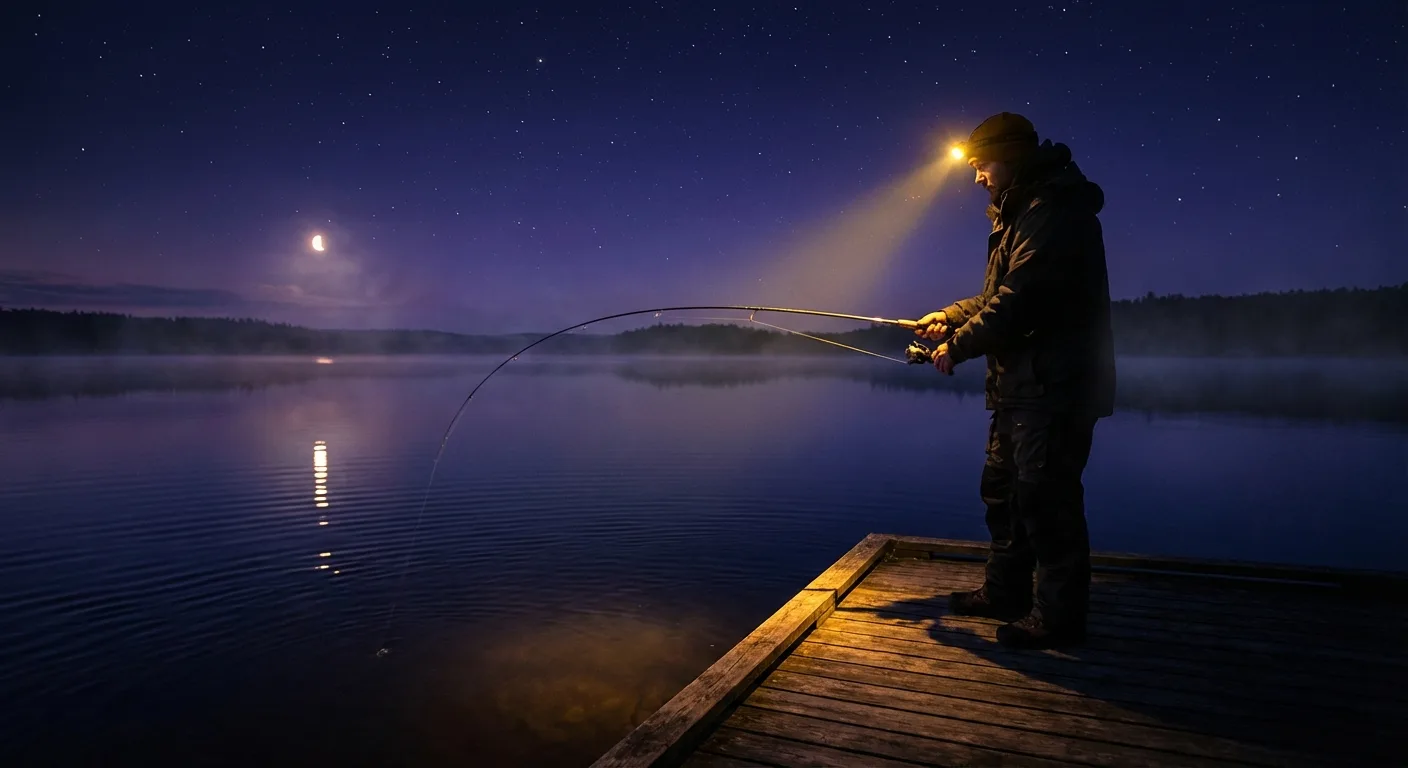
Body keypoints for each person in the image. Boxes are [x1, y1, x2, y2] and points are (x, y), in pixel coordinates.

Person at [911, 112, 1116, 649]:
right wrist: (951, 316)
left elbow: (1022, 299)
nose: (977, 177)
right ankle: (1006, 592)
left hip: (1055, 388)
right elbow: (998, 294)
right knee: (1004, 494)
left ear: (1011, 156)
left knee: (1047, 502)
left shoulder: (1054, 210)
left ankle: (1058, 619)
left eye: (982, 165)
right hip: (1019, 388)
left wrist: (957, 346)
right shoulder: (1020, 211)